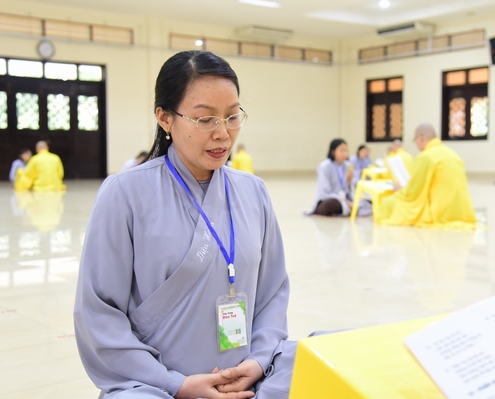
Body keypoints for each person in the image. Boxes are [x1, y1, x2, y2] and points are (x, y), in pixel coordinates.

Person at [74, 51, 292, 399]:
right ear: (165, 118)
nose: (223, 133)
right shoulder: (124, 193)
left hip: (247, 379)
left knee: (326, 363)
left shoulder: (253, 191)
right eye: (205, 119)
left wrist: (259, 361)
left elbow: (273, 293)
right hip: (156, 386)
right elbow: (99, 314)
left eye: (232, 116)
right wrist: (175, 384)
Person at [377, 123, 476, 228]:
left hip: (438, 211)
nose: (416, 144)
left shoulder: (426, 156)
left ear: (421, 139)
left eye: (415, 140)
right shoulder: (453, 154)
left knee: (386, 204)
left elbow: (414, 192)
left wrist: (400, 188)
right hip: (460, 211)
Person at [307, 139, 370, 217]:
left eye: (346, 151)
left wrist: (349, 181)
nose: (344, 154)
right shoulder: (325, 166)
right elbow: (325, 191)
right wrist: (344, 201)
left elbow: (347, 192)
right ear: (333, 151)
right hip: (329, 199)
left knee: (368, 202)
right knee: (332, 204)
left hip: (344, 199)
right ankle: (348, 209)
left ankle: (348, 209)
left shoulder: (346, 165)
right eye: (341, 151)